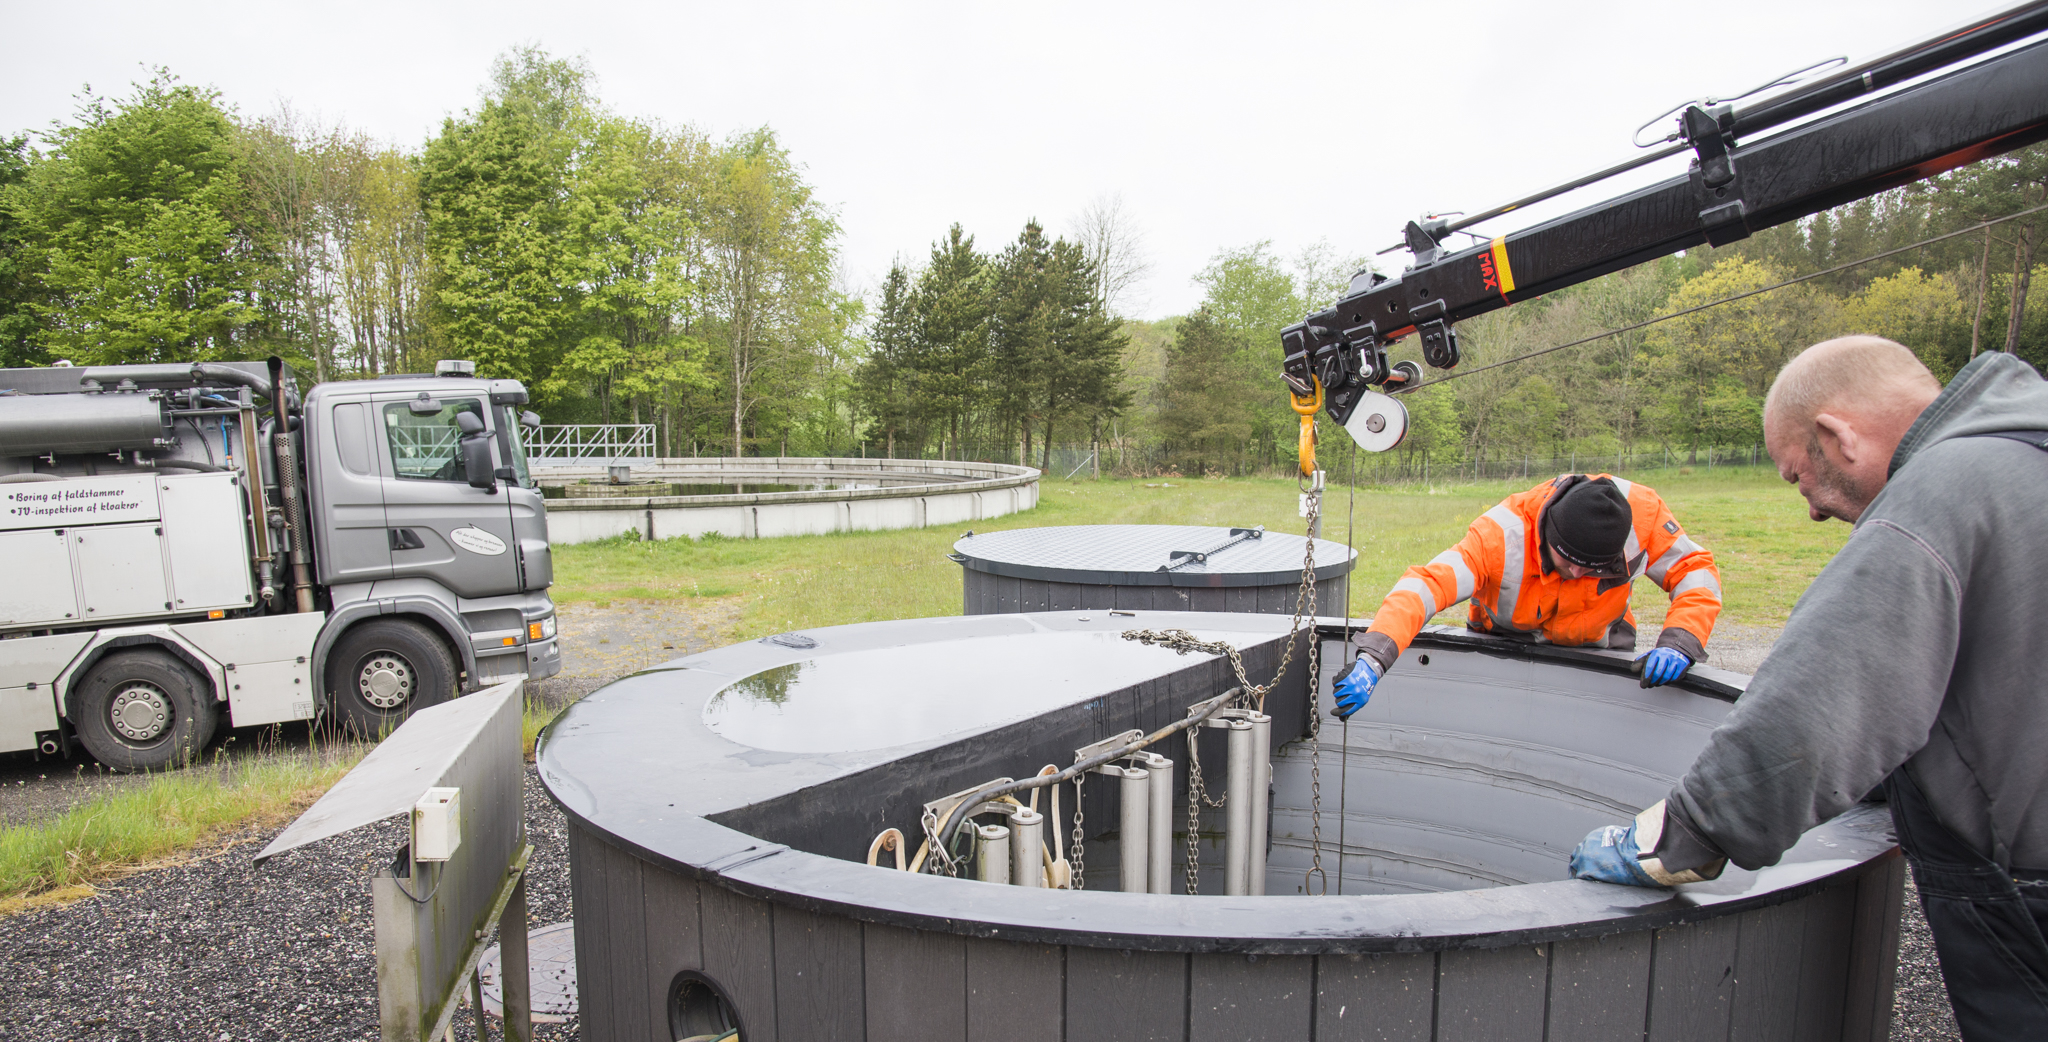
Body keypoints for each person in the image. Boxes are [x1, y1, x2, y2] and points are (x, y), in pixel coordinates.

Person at [1566, 337, 2048, 1041]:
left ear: (1836, 436)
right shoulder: (2024, 456)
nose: (1813, 511)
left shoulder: (1942, 493)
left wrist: (1683, 835)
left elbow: (1817, 702)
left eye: (1799, 478)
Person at [1330, 469, 1722, 718]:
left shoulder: (1644, 517)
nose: (1577, 574)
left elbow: (1695, 572)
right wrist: (1374, 658)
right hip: (1500, 649)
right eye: (1568, 562)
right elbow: (1427, 585)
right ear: (1548, 532)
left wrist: (1682, 641)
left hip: (1600, 652)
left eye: (1593, 569)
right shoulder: (1500, 537)